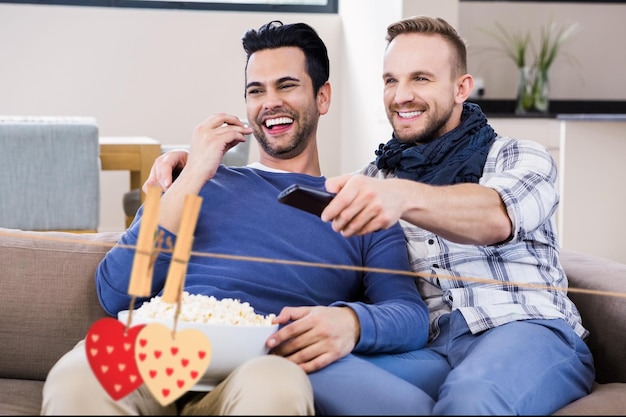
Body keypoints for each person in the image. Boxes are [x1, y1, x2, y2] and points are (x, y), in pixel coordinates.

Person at [145, 16, 596, 415]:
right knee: (300, 370)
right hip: (433, 349)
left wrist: (401, 197)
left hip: (523, 329)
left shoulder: (519, 156)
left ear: (461, 87)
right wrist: (188, 177)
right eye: (390, 80)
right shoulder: (369, 181)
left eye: (420, 78)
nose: (401, 96)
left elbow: (496, 216)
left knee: (470, 400)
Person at [40, 20, 434, 416]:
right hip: (153, 353)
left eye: (286, 85)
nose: (270, 102)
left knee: (276, 389)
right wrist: (192, 177)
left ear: (323, 97)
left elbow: (410, 317)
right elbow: (116, 292)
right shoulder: (194, 183)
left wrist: (350, 322)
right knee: (79, 380)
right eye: (256, 90)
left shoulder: (358, 204)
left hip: (256, 367)